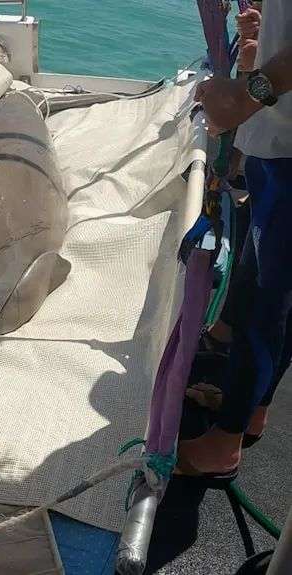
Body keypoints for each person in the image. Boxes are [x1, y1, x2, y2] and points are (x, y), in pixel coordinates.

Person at [179, 0, 292, 477]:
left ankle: (224, 445)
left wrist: (247, 94)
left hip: (287, 148)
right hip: (278, 138)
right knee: (268, 288)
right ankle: (250, 411)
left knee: (270, 304)